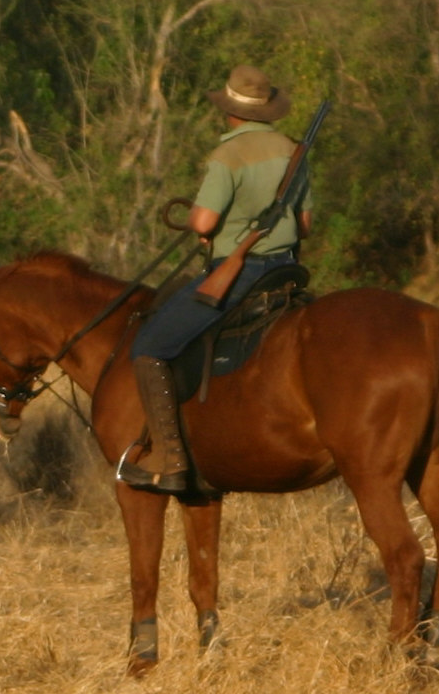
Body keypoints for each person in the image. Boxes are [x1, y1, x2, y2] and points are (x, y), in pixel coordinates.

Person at [116, 65, 313, 493]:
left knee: (149, 346)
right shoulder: (293, 151)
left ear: (230, 112)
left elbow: (203, 222)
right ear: (269, 110)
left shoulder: (227, 156)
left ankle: (169, 457)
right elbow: (307, 223)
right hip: (286, 272)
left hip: (241, 272)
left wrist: (206, 222)